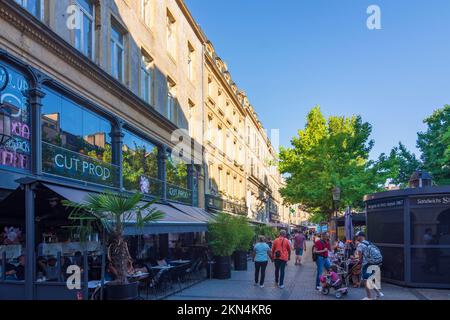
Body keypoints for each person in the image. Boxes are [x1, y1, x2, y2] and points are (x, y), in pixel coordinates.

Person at [355, 231, 384, 300]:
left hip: (367, 265)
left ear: (361, 236)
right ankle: (379, 293)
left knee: (366, 281)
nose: (356, 238)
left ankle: (368, 297)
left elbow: (360, 259)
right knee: (369, 280)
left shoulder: (360, 245)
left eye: (357, 236)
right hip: (375, 263)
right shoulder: (368, 242)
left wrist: (356, 261)